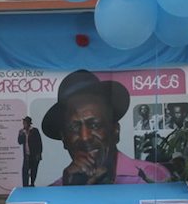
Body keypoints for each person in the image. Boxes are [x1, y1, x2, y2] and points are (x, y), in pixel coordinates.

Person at [41, 70, 170, 186]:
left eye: (94, 125)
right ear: (64, 139)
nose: (85, 137)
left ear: (115, 131)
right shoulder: (57, 190)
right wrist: (71, 192)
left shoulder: (152, 177)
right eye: (74, 128)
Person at [17, 116, 43, 187]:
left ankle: (32, 184)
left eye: (25, 123)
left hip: (34, 155)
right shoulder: (22, 132)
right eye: (23, 123)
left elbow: (39, 143)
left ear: (29, 123)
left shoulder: (35, 131)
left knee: (33, 171)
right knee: (25, 171)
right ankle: (25, 186)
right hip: (27, 155)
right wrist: (20, 134)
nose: (24, 124)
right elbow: (20, 142)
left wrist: (39, 154)